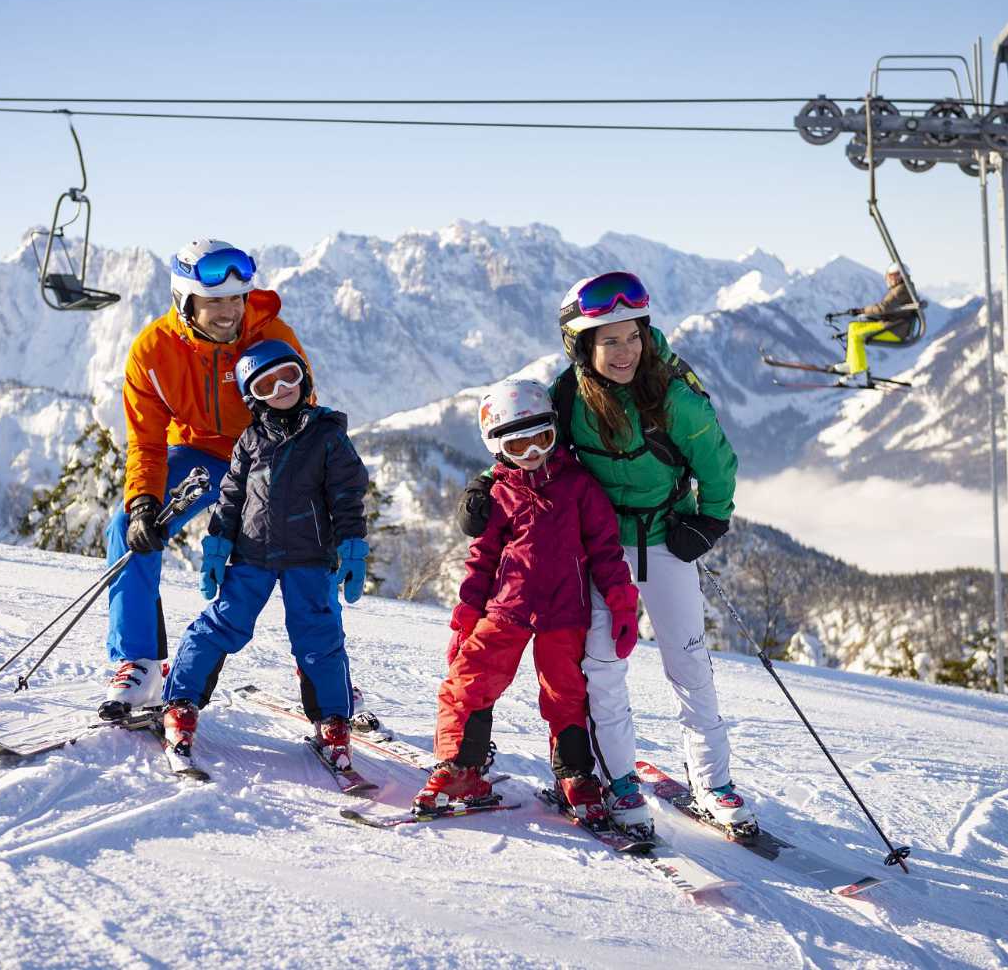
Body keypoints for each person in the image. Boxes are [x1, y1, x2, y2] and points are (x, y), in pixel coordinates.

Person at [455, 271, 754, 837]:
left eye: (632, 336)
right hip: (597, 548)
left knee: (688, 664)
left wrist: (710, 520)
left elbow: (718, 462)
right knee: (601, 668)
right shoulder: (567, 398)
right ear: (582, 346)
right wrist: (485, 486)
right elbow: (530, 445)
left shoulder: (673, 398)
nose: (624, 351)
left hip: (666, 540)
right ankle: (618, 780)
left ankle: (713, 783)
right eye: (608, 339)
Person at [99, 238, 314, 721]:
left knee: (301, 551)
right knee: (126, 532)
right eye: (215, 300)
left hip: (267, 455)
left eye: (236, 299)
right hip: (198, 453)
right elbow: (147, 443)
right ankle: (139, 663)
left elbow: (304, 410)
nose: (229, 312)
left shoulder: (270, 335)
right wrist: (142, 504)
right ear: (185, 301)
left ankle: (322, 675)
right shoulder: (153, 351)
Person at [415, 380, 638, 823]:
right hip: (507, 608)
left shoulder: (580, 487)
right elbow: (481, 560)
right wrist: (467, 614)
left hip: (565, 613)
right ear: (498, 448)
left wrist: (621, 601)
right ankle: (461, 767)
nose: (533, 452)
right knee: (468, 681)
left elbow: (606, 551)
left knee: (566, 694)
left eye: (542, 438)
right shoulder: (498, 494)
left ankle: (575, 774)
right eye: (519, 445)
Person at [159, 340, 370, 775]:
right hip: (252, 554)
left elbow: (347, 495)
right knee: (222, 624)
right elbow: (231, 497)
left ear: (304, 378)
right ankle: (181, 702)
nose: (282, 388)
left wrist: (352, 546)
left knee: (319, 638)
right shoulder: (249, 440)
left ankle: (332, 719)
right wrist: (218, 546)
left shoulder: (327, 434)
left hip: (311, 557)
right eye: (268, 384)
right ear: (253, 397)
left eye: (289, 376)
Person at [826, 262, 926, 387]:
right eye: (890, 276)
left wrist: (861, 311)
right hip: (892, 325)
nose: (890, 279)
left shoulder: (901, 290)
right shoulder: (902, 289)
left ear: (900, 276)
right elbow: (888, 309)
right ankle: (852, 363)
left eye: (892, 276)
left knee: (857, 335)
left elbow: (883, 307)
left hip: (894, 330)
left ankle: (860, 374)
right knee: (854, 327)